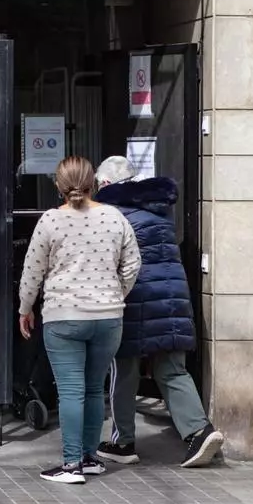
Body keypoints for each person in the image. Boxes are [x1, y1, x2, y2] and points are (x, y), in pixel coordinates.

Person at [91, 156, 225, 469]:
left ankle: (122, 442)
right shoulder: (159, 209)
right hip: (172, 298)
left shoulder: (111, 214)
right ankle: (199, 431)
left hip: (136, 300)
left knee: (124, 370)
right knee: (172, 369)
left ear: (106, 184)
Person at [18, 156, 141, 484]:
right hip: (108, 317)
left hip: (64, 317)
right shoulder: (114, 217)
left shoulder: (50, 221)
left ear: (58, 185)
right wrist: (115, 294)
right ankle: (89, 459)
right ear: (94, 183)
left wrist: (25, 308)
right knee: (93, 389)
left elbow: (33, 270)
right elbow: (133, 264)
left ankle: (71, 464)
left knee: (71, 391)